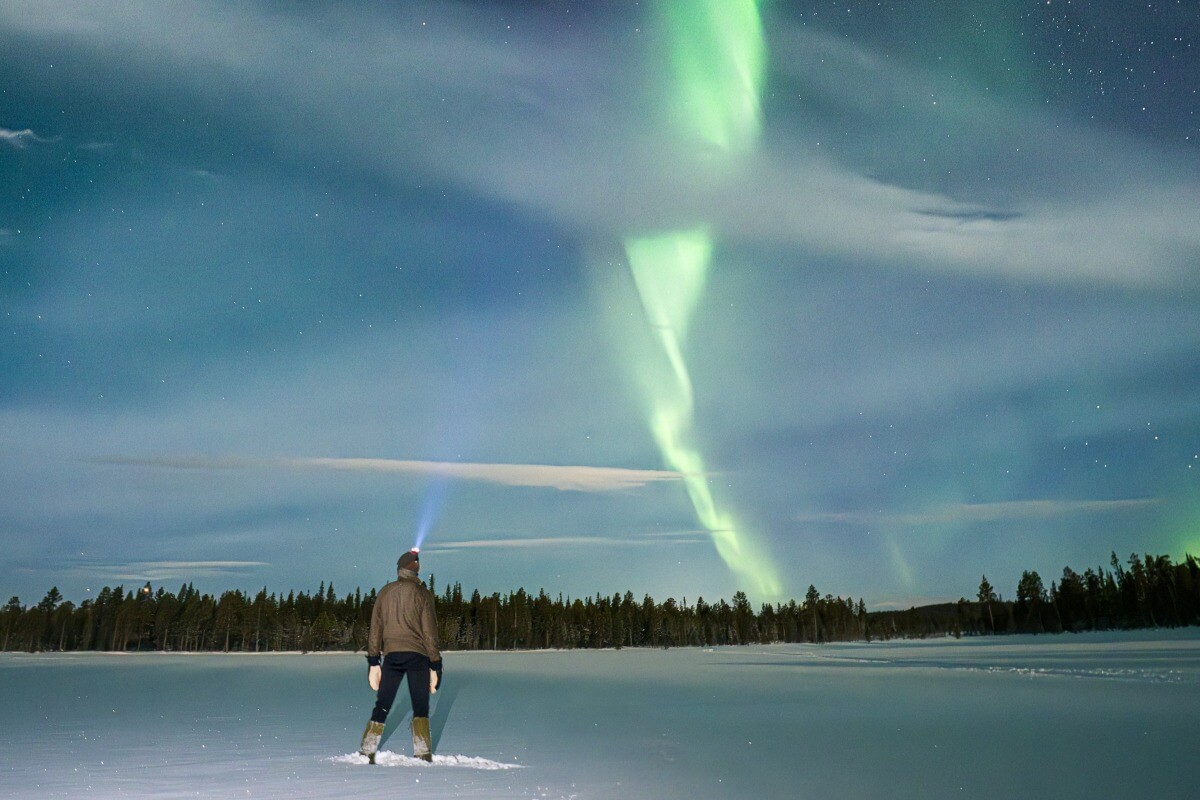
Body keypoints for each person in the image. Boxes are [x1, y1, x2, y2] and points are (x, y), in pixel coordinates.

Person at [359, 549, 444, 763]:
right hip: (418, 657)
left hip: (393, 656)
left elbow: (375, 628)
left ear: (400, 569)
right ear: (415, 568)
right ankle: (422, 753)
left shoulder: (386, 592)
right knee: (420, 705)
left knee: (383, 704)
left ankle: (367, 750)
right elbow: (429, 632)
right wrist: (435, 663)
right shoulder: (423, 594)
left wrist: (373, 660)